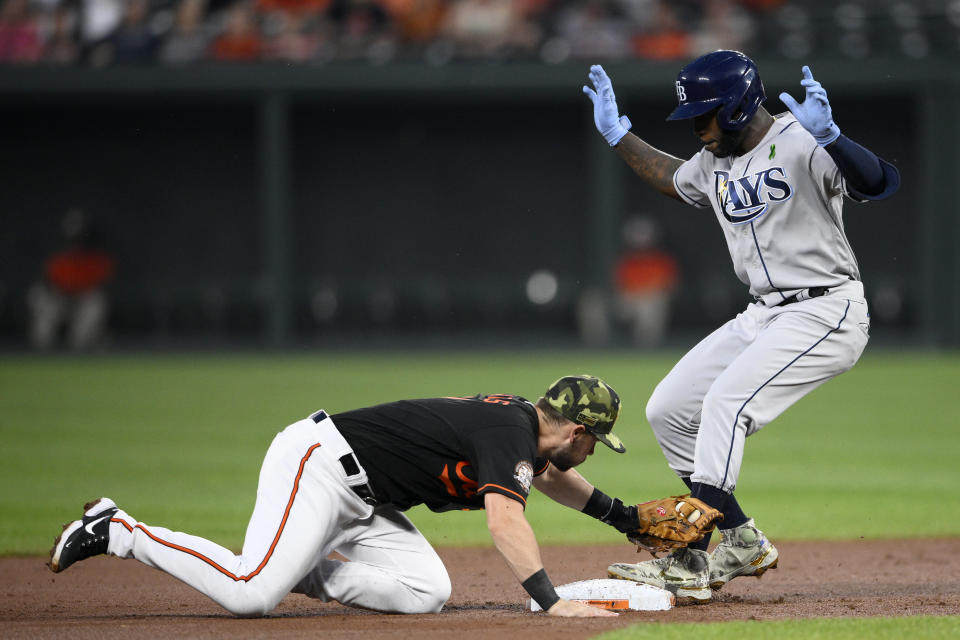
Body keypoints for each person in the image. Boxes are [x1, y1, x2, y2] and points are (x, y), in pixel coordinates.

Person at [582, 51, 899, 603]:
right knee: (669, 409)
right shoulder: (714, 159)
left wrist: (834, 138)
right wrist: (618, 135)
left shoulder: (803, 141)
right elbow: (670, 178)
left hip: (826, 309)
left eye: (705, 116)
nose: (697, 129)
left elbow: (879, 183)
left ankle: (690, 554)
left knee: (727, 403)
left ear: (736, 107)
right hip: (763, 313)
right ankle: (740, 539)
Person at [49, 375, 645, 618]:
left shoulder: (522, 431)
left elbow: (546, 477)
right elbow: (503, 521)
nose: (593, 454)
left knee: (427, 593)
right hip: (317, 466)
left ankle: (294, 565)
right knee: (249, 596)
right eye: (596, 443)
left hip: (366, 499)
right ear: (576, 432)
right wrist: (548, 599)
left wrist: (625, 518)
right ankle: (119, 530)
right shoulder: (508, 431)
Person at [27, 208, 116, 351]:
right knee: (39, 300)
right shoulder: (57, 258)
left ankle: (79, 349)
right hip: (60, 299)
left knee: (95, 304)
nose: (76, 242)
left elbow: (103, 287)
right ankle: (41, 353)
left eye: (80, 236)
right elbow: (47, 283)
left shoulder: (99, 260)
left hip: (83, 301)